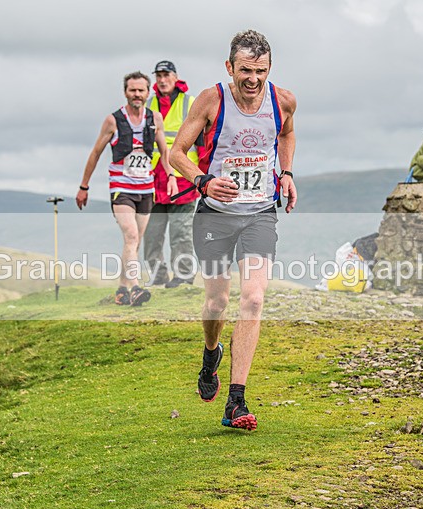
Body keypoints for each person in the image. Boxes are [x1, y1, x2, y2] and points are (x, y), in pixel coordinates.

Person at [170, 29, 297, 431]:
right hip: (215, 215)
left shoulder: (283, 101)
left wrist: (287, 173)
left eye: (260, 70)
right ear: (230, 67)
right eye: (245, 70)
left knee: (254, 299)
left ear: (269, 68)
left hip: (260, 212)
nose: (253, 79)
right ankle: (211, 354)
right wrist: (202, 181)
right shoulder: (211, 100)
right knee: (215, 304)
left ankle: (236, 401)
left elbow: (287, 133)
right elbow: (177, 152)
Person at [76, 71, 175, 306]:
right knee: (131, 236)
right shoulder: (113, 120)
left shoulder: (155, 118)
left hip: (146, 188)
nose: (137, 94)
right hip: (121, 188)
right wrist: (84, 186)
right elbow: (96, 153)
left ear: (148, 93)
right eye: (133, 90)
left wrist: (170, 176)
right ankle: (136, 288)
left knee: (134, 242)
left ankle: (122, 289)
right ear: (125, 92)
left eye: (141, 90)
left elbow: (164, 152)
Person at [143, 60, 204, 288]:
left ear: (175, 77)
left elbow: (203, 142)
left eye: (166, 74)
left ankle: (183, 278)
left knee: (181, 233)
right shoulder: (148, 105)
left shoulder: (190, 103)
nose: (162, 79)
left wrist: (201, 176)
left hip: (183, 179)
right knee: (151, 234)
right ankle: (158, 277)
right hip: (153, 181)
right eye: (158, 75)